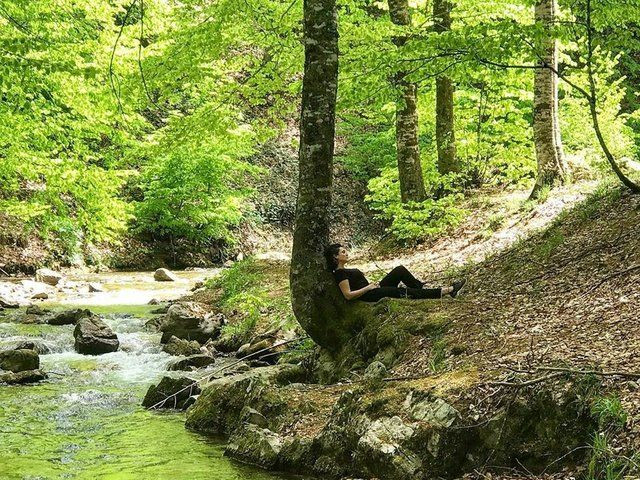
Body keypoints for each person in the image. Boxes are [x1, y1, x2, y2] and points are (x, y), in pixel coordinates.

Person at [324, 243, 466, 302]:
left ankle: (419, 289)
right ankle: (449, 290)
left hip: (373, 290)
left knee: (399, 270)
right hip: (370, 295)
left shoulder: (344, 271)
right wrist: (368, 287)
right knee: (401, 292)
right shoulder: (339, 273)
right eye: (343, 252)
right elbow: (348, 295)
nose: (346, 253)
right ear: (336, 257)